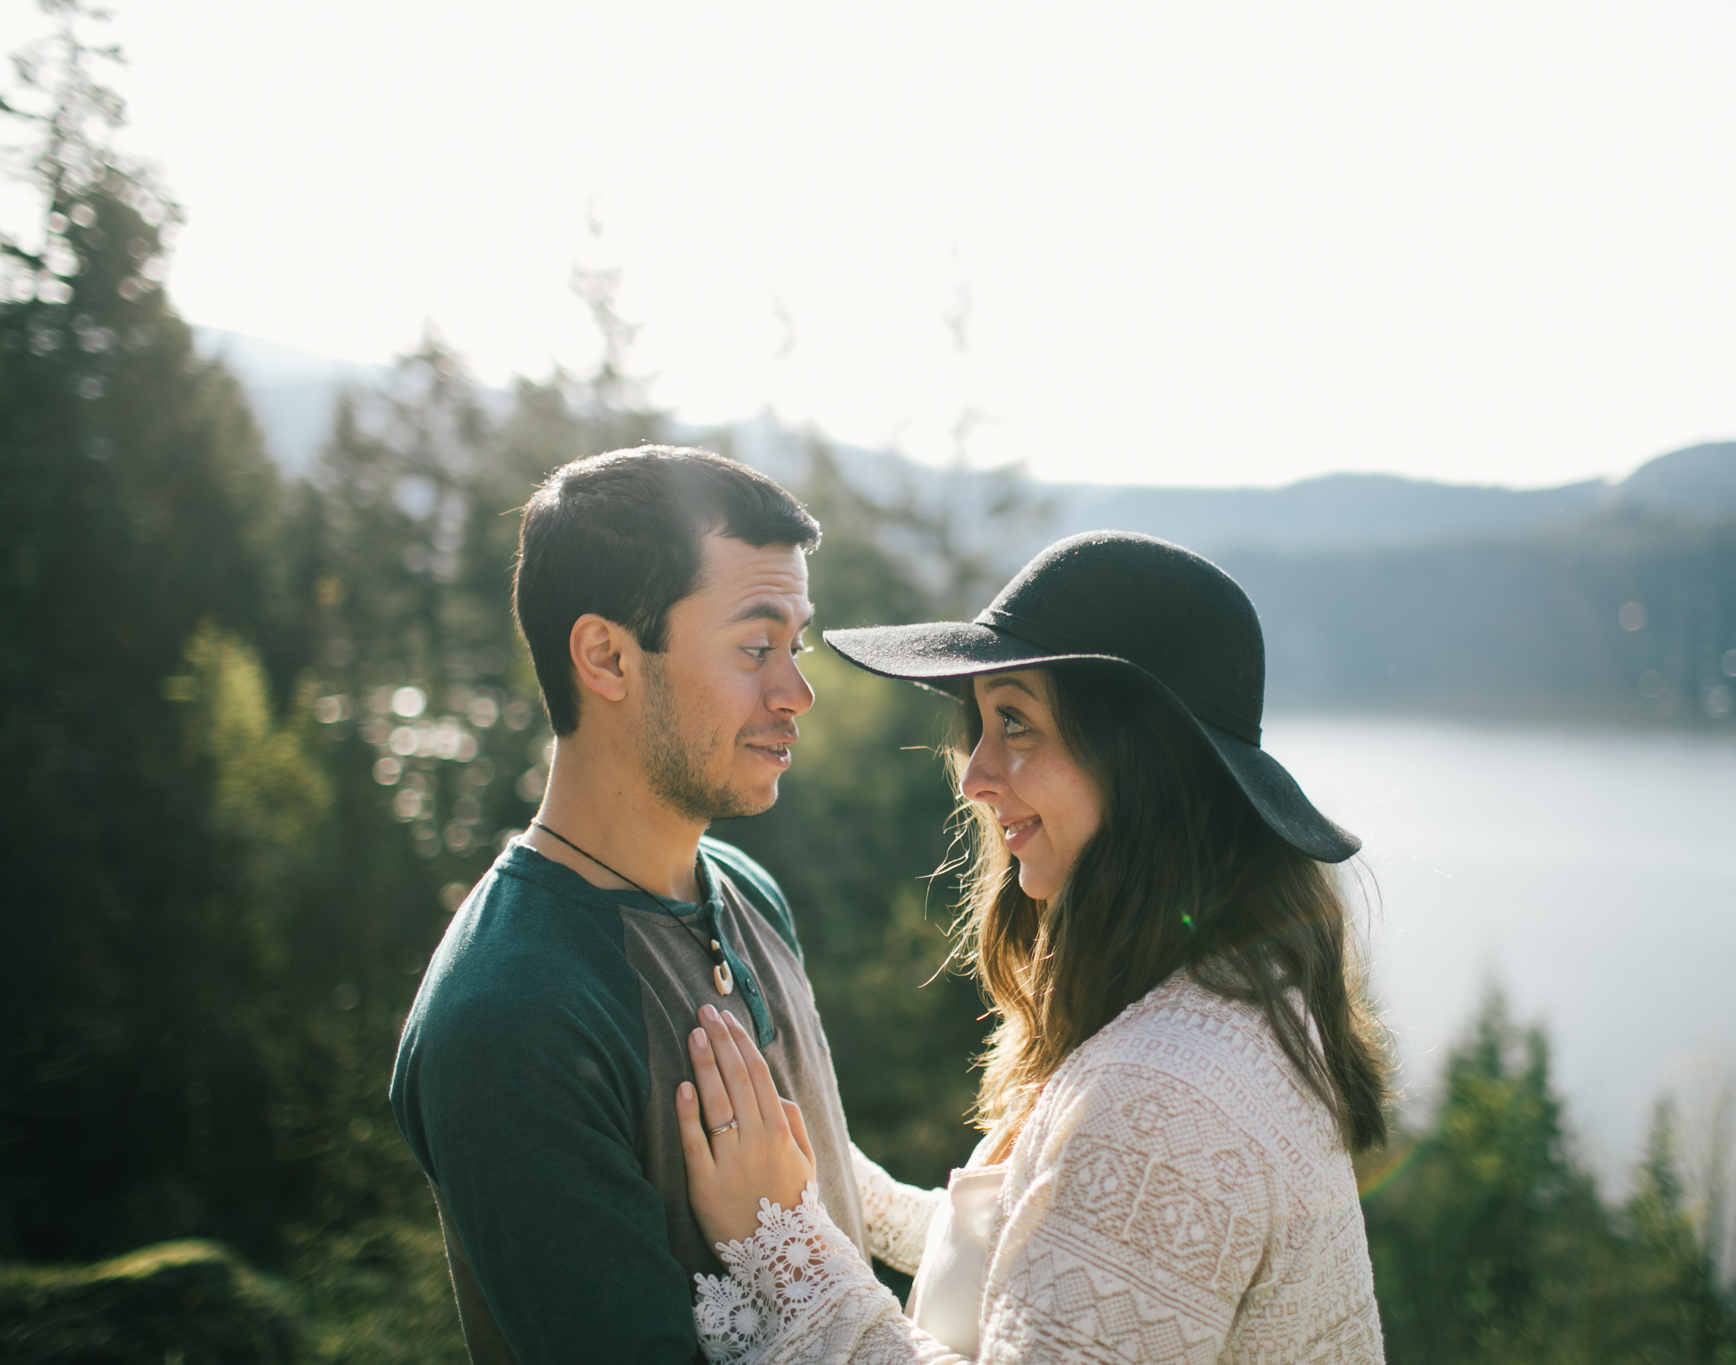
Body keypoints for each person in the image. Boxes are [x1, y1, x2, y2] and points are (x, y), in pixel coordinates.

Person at [674, 530, 1391, 1364]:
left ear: (1145, 762)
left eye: (1015, 722)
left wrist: (787, 1251)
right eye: (978, 724)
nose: (974, 773)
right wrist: (835, 1191)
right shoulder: (1236, 999)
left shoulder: (1161, 1107)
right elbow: (1054, 1255)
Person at [390, 446, 894, 1363]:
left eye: (797, 644)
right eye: (755, 647)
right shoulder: (513, 1016)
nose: (797, 693)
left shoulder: (748, 894)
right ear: (607, 656)